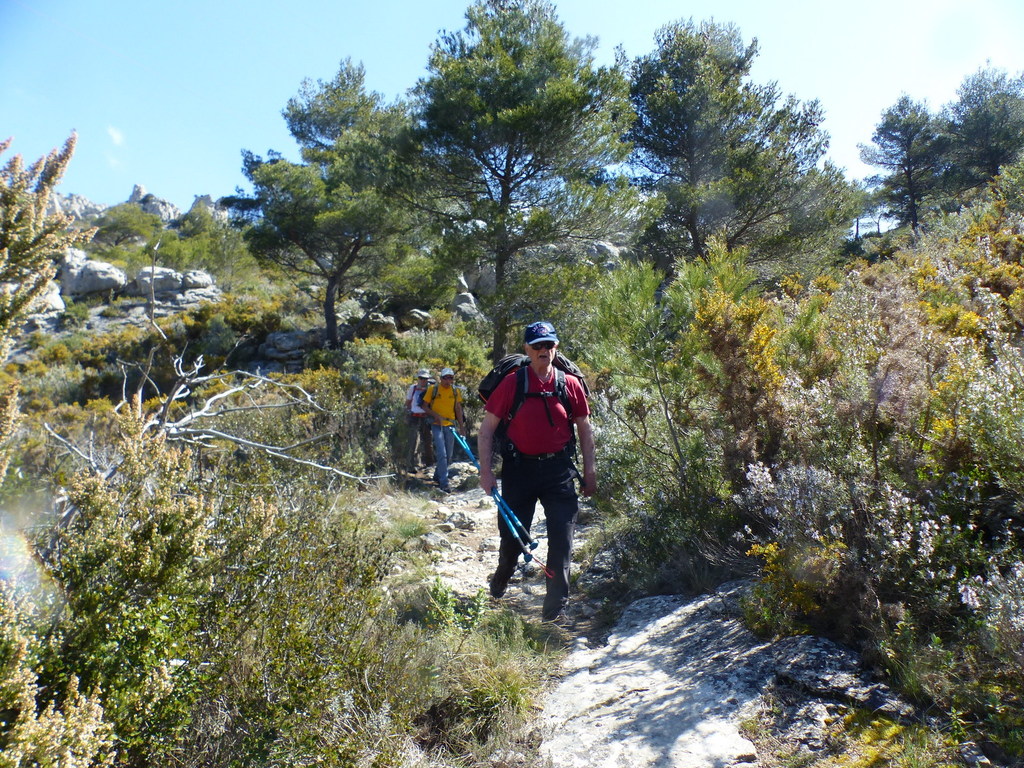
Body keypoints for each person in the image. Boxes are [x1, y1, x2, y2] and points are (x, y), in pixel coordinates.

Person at [478, 321, 596, 623]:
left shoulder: (568, 384)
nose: (544, 350)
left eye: (549, 345)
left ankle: (554, 614)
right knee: (512, 540)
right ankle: (501, 578)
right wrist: (486, 472)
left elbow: (584, 428)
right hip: (519, 471)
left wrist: (590, 470)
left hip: (559, 471)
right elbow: (487, 429)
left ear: (556, 347)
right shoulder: (512, 383)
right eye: (538, 346)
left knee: (562, 543)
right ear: (527, 349)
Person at [420, 367, 466, 493]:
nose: (448, 380)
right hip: (436, 425)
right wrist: (435, 416)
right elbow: (424, 406)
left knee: (449, 455)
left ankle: (437, 476)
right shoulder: (433, 390)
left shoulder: (455, 391)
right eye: (446, 377)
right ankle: (444, 483)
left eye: (451, 377)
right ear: (441, 378)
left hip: (450, 426)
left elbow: (458, 409)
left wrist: (462, 427)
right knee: (442, 453)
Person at [404, 368, 435, 471]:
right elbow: (408, 402)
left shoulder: (431, 389)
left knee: (428, 441)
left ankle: (429, 464)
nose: (423, 380)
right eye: (421, 378)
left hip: (426, 417)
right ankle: (410, 465)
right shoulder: (412, 388)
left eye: (425, 378)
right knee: (412, 441)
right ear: (418, 378)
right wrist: (406, 414)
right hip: (414, 417)